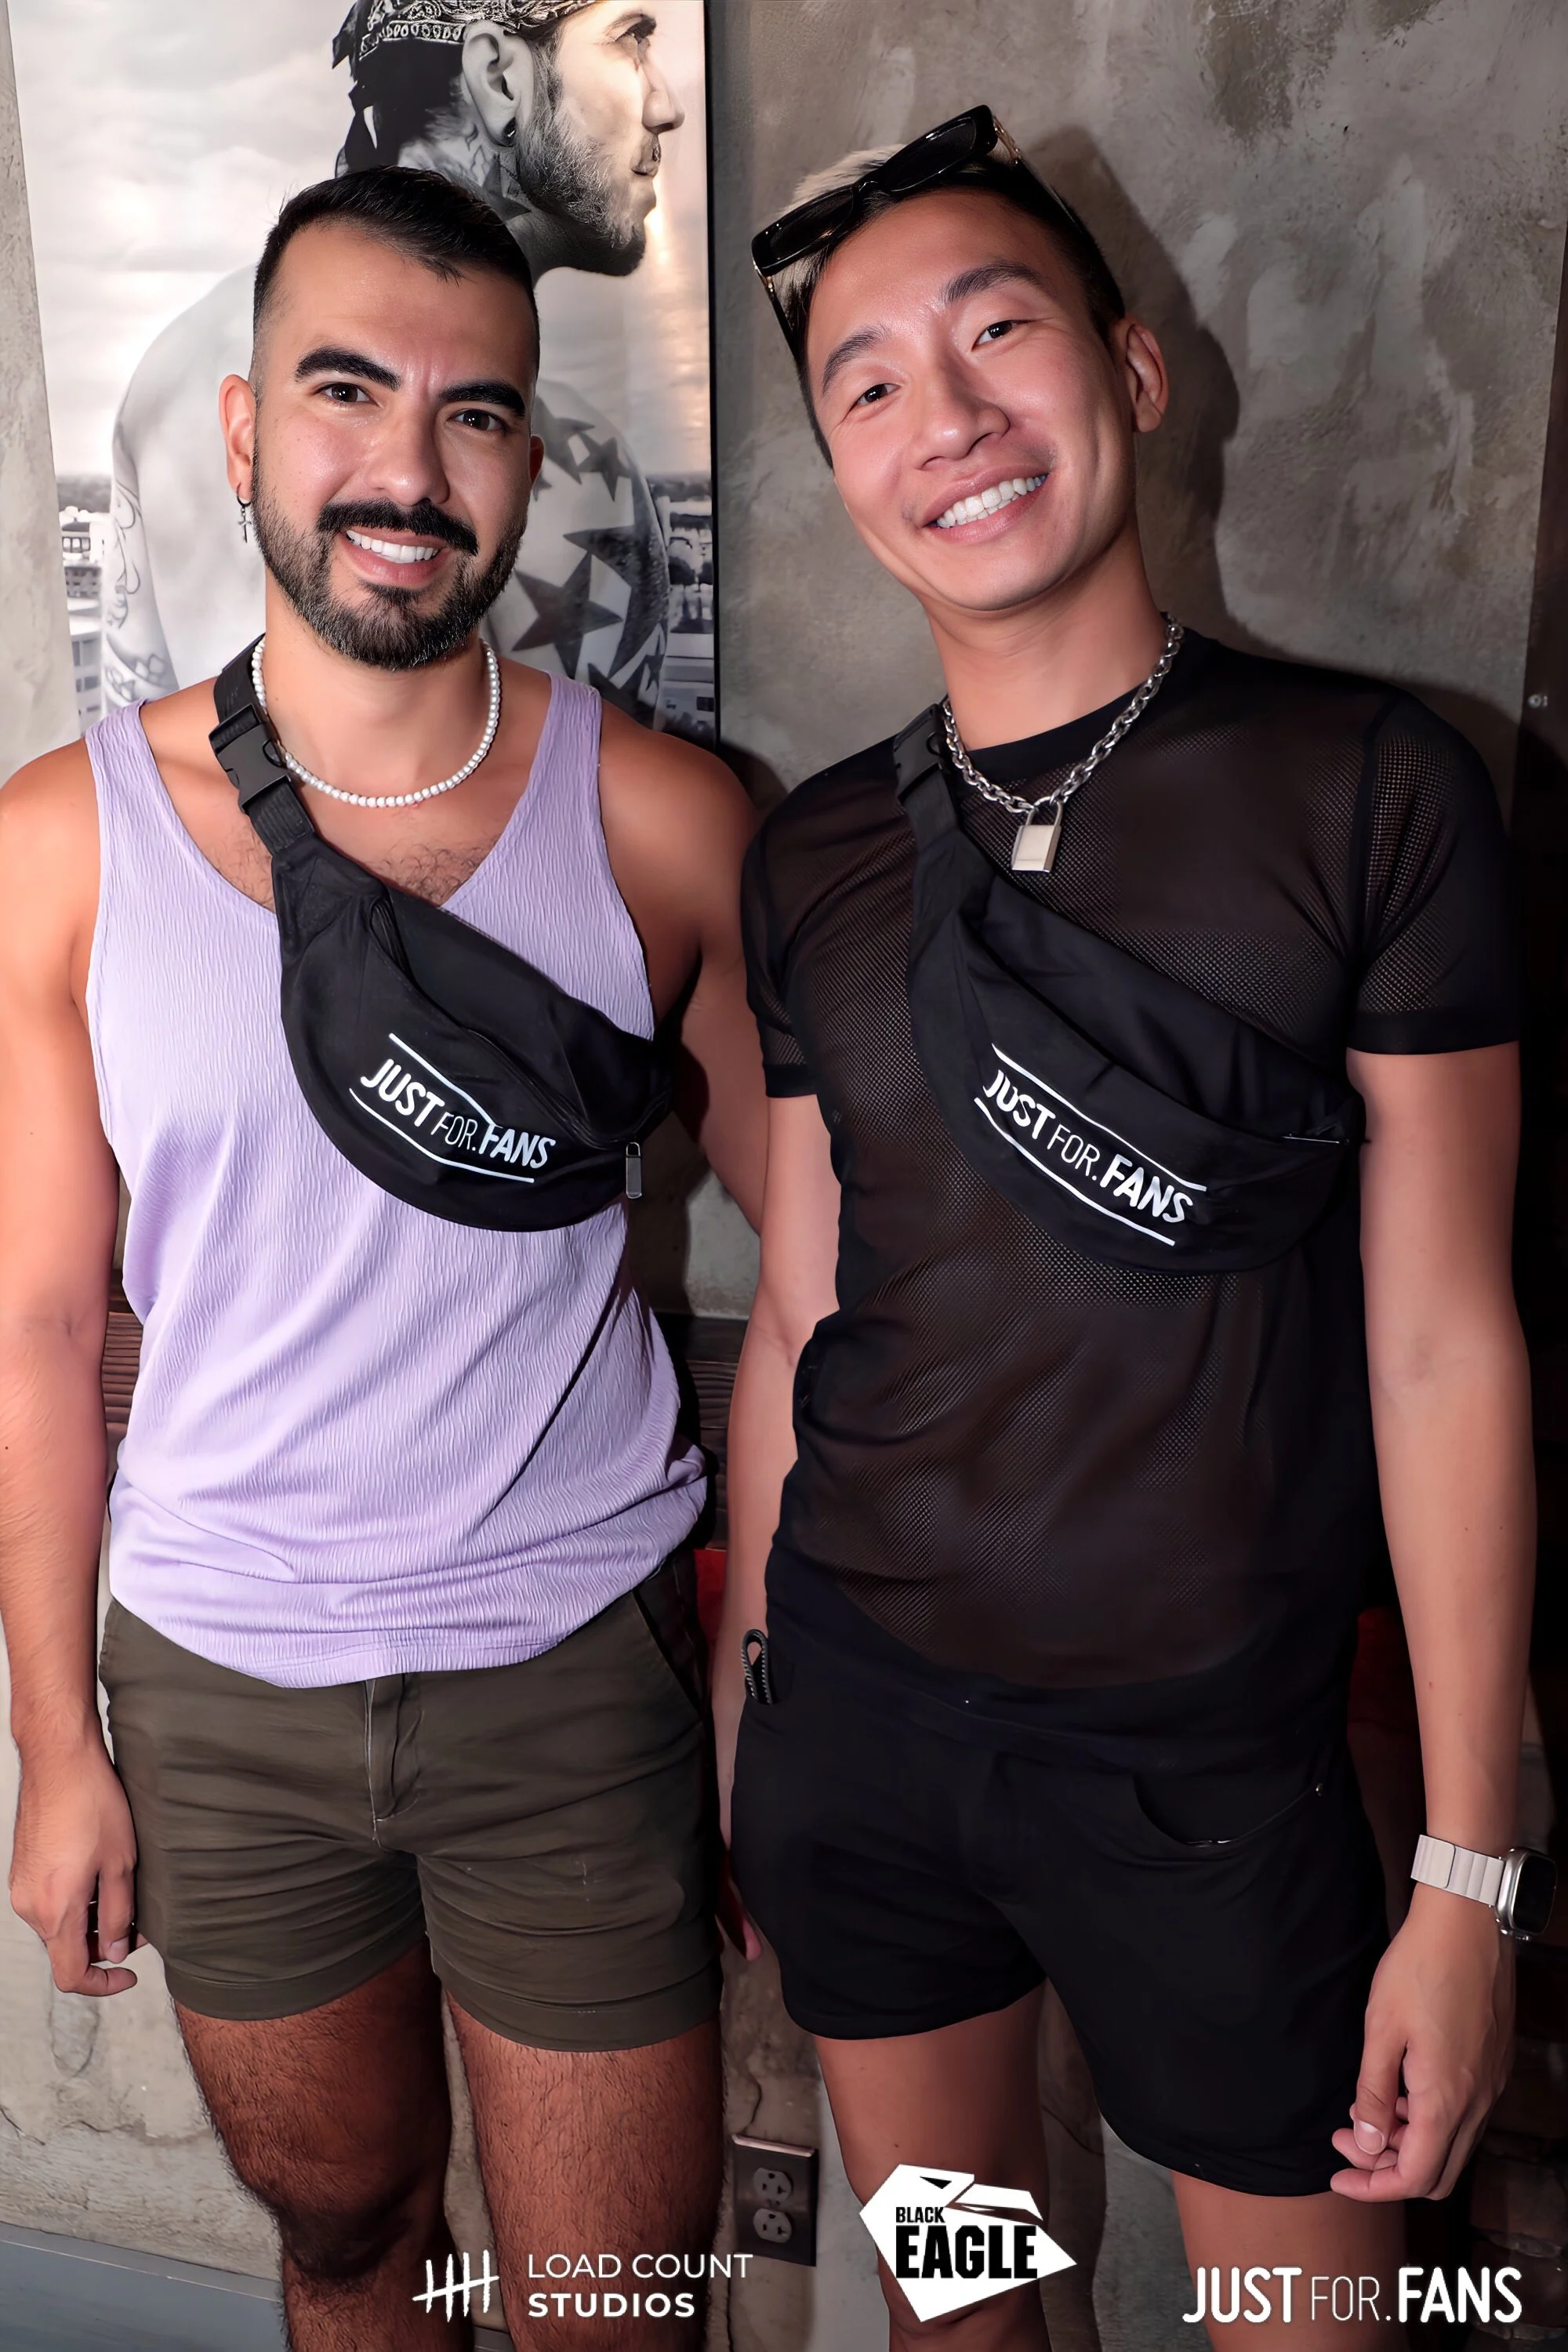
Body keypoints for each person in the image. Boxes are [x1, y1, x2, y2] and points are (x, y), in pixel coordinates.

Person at [719, 109, 1540, 2351]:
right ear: (840, 467)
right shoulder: (816, 860)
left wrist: (1466, 1872)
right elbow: (802, 1310)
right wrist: (752, 1723)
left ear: (1135, 370)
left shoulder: (1373, 791)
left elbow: (1442, 1346)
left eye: (997, 331)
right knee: (963, 2314)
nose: (945, 413)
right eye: (868, 382)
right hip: (864, 1775)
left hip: (1215, 1801)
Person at [2, 165, 763, 2352]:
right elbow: (39, 1327)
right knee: (349, 2246)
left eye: (475, 412)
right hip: (220, 1688)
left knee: (613, 2306)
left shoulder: (667, 824)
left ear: (530, 452)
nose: (408, 471)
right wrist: (57, 1743)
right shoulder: (60, 845)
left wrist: (758, 1682)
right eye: (346, 393)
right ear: (246, 430)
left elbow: (833, 1283)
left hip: (573, 1672)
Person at [105, 0, 691, 733]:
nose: (665, 106)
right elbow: (297, 765)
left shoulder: (584, 445)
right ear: (499, 80)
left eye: (475, 416)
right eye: (630, 42)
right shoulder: (234, 359)